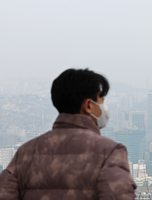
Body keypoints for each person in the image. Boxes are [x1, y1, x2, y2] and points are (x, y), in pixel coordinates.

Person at [0, 69, 136, 200]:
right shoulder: (110, 153)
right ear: (88, 105)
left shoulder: (25, 153)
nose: (104, 108)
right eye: (101, 101)